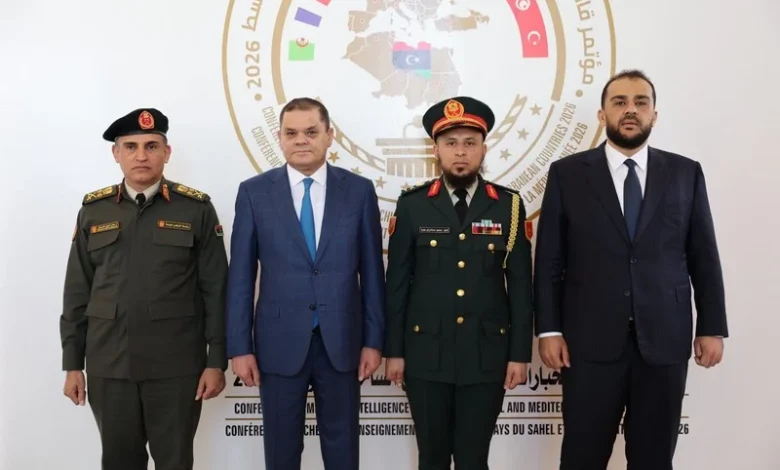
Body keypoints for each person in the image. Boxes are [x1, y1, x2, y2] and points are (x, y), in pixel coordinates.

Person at [533, 69, 729, 470]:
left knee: (654, 459)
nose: (630, 110)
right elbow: (550, 258)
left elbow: (704, 256)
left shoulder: (685, 173)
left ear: (654, 114)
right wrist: (549, 330)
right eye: (619, 102)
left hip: (664, 341)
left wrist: (712, 326)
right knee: (582, 457)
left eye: (641, 102)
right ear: (602, 114)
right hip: (589, 344)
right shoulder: (567, 174)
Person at [60, 107, 229, 470]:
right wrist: (73, 364)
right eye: (131, 146)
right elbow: (77, 293)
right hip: (110, 365)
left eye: (151, 146)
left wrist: (216, 361)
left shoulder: (196, 209)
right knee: (119, 462)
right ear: (116, 153)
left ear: (167, 152)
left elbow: (216, 291)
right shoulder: (94, 211)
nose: (141, 155)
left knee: (175, 462)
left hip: (176, 367)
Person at [225, 97, 386, 470]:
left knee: (343, 453)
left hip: (342, 343)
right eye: (292, 133)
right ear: (280, 138)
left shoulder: (359, 191)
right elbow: (241, 277)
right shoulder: (254, 192)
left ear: (330, 136)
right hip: (278, 344)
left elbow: (373, 273)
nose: (301, 140)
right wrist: (239, 347)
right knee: (281, 453)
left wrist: (374, 340)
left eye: (311, 132)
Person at [383, 96, 534, 469]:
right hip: (425, 355)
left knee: (473, 459)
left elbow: (521, 288)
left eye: (470, 142)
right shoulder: (413, 205)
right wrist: (394, 351)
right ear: (435, 150)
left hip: (486, 356)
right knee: (432, 458)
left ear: (484, 149)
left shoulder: (509, 206)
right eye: (451, 143)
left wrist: (519, 354)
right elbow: (397, 284)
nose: (461, 152)